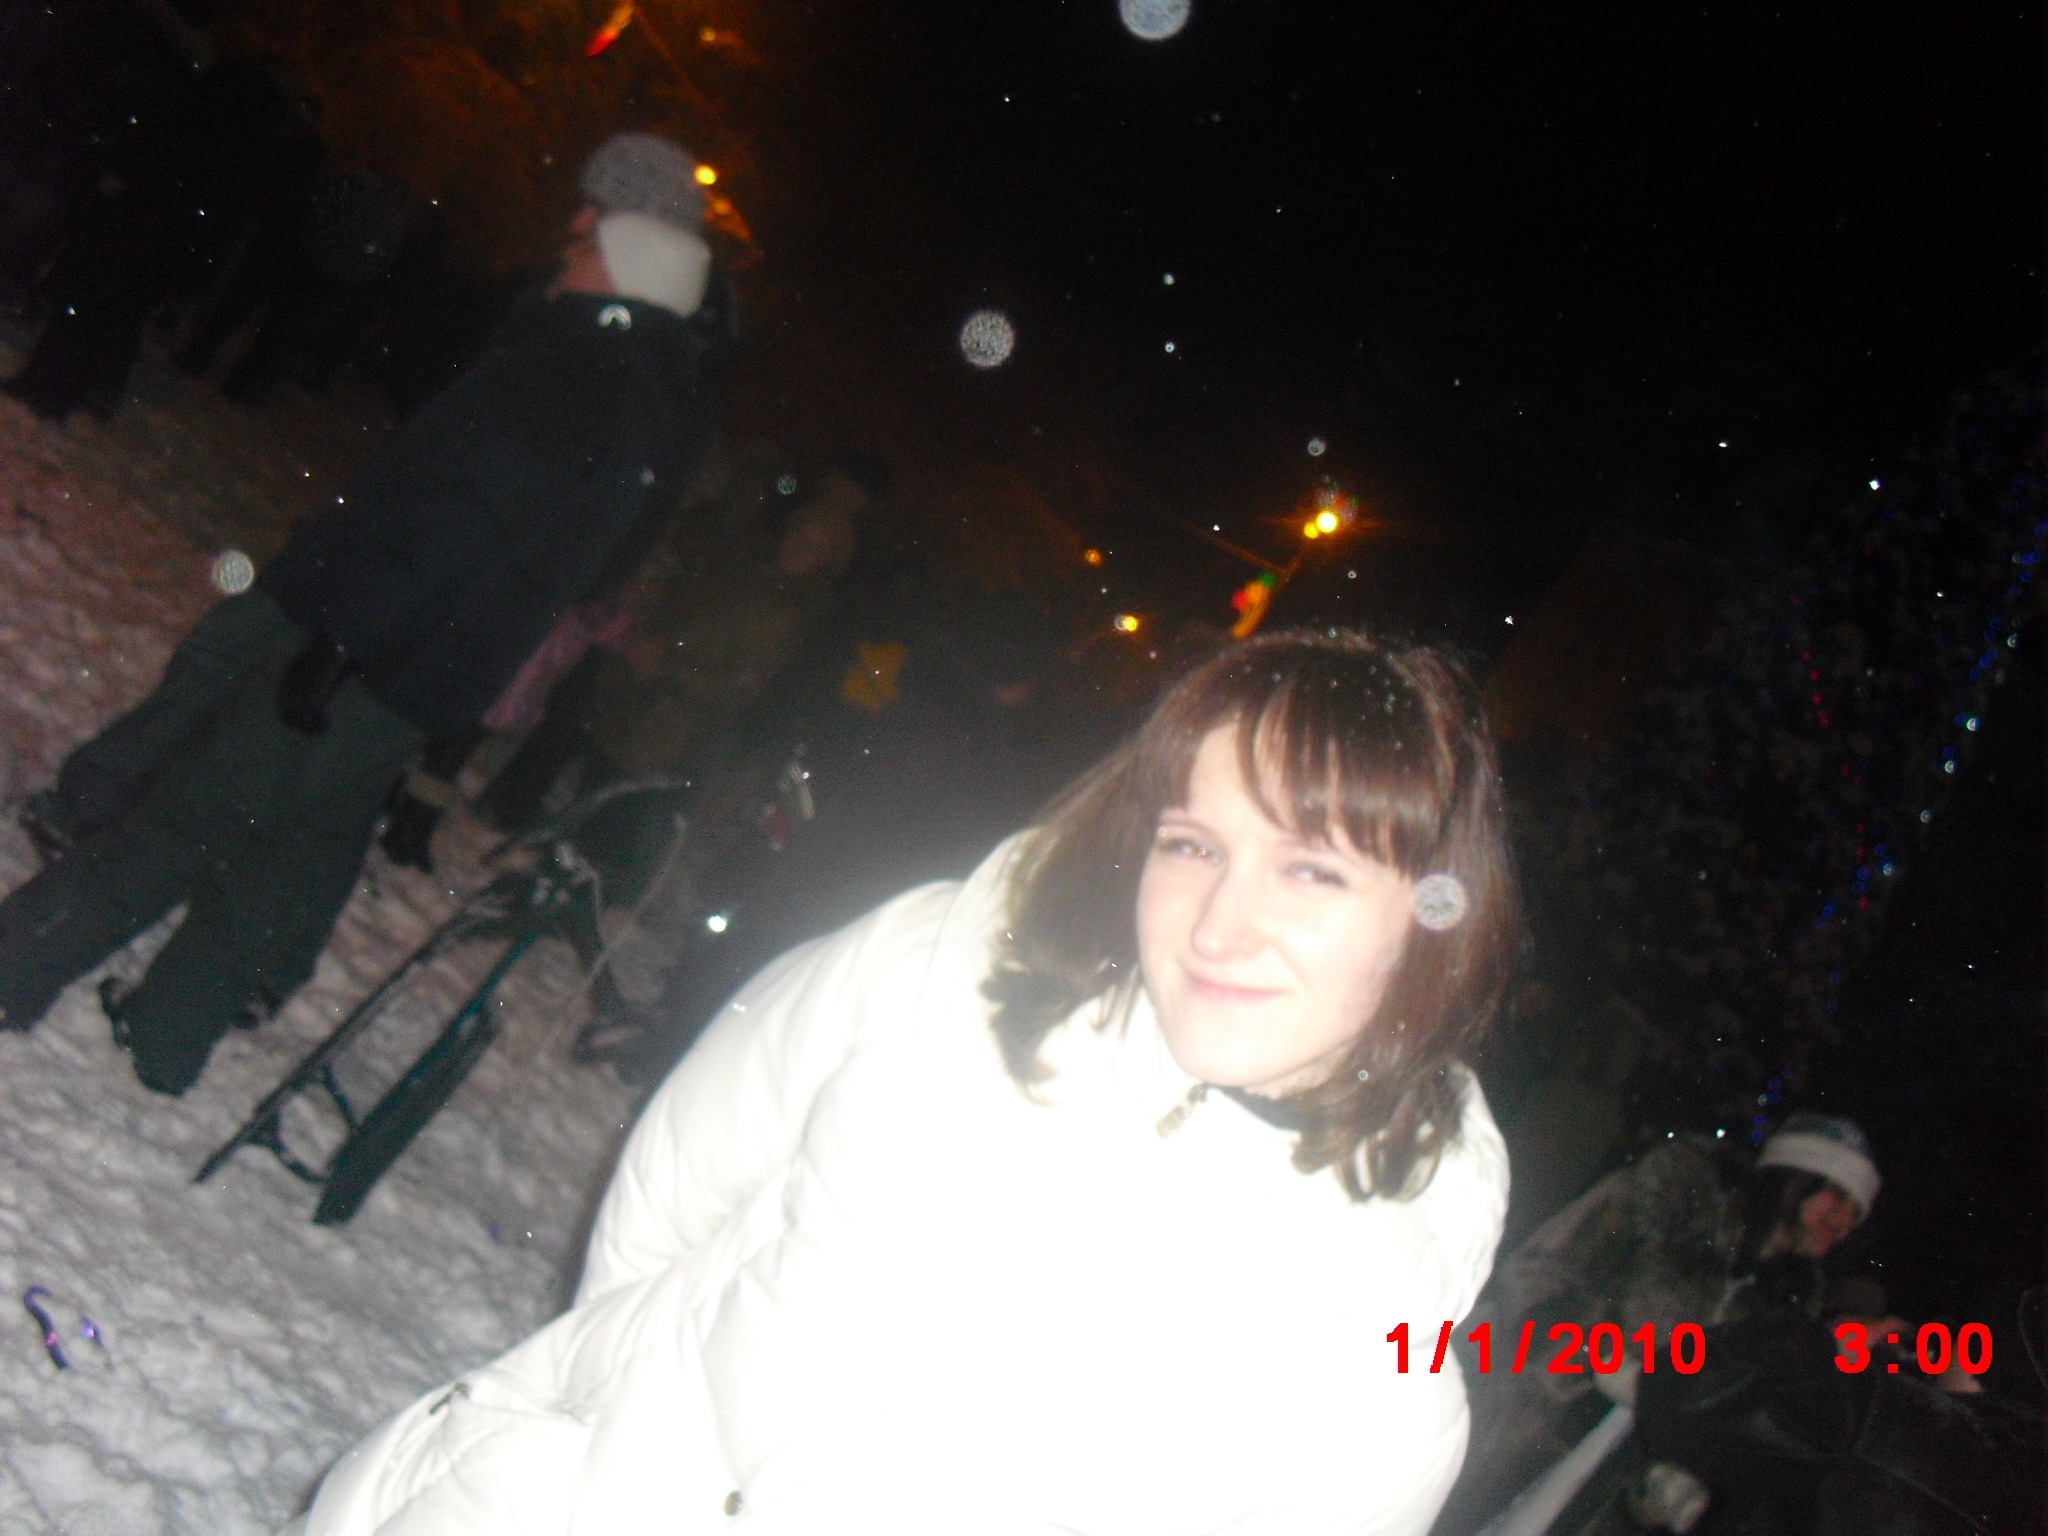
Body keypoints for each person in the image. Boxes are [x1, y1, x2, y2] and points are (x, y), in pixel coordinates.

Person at [294, 628, 1521, 1534]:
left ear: (1429, 919)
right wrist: (606, 1442)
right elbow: (672, 1192)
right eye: (1192, 844)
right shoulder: (949, 967)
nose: (1216, 925)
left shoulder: (1380, 1359)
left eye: (1310, 872)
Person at [0, 130, 734, 1094]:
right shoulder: (646, 380)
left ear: (625, 255)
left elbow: (460, 518)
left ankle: (16, 967)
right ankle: (171, 1032)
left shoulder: (576, 369)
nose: (567, 238)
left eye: (587, 230)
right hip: (426, 675)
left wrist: (346, 638)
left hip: (378, 654)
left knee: (188, 814)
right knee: (286, 854)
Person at [1435, 1112, 1885, 1534]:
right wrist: (1597, 1361)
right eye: (1838, 1197)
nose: (1843, 1223)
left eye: (1856, 1216)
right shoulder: (1682, 1192)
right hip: (1498, 1414)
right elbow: (1537, 1276)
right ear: (1796, 1178)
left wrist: (1675, 1480)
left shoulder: (1786, 1312)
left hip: (1586, 1479)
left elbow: (1724, 1424)